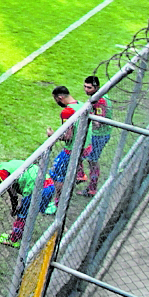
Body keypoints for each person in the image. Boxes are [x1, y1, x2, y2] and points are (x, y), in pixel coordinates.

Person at [0, 159, 53, 248]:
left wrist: (14, 208)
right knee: (29, 212)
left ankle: (14, 240)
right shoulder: (12, 162)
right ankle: (21, 233)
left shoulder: (1, 172)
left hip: (35, 189)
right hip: (49, 183)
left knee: (22, 214)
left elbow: (13, 194)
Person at [46, 85, 88, 213]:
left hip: (72, 148)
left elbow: (68, 136)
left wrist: (53, 135)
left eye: (56, 99)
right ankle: (79, 176)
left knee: (57, 174)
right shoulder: (81, 104)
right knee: (68, 171)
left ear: (60, 97)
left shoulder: (67, 112)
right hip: (85, 145)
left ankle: (58, 205)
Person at [80, 75, 112, 197]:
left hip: (99, 135)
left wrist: (88, 115)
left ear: (96, 87)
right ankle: (82, 177)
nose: (86, 90)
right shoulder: (101, 96)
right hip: (100, 134)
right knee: (87, 157)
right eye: (85, 86)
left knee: (92, 160)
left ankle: (91, 187)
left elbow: (98, 122)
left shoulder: (100, 101)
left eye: (89, 87)